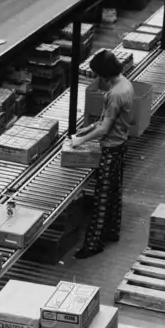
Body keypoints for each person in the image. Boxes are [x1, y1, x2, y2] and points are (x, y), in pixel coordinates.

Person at [69, 48, 134, 258]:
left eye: (98, 74)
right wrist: (88, 128)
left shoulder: (114, 94)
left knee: (102, 198)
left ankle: (93, 244)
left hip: (111, 149)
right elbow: (110, 120)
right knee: (114, 191)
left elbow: (105, 129)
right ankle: (112, 231)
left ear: (104, 73)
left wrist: (81, 140)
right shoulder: (125, 84)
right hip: (122, 144)